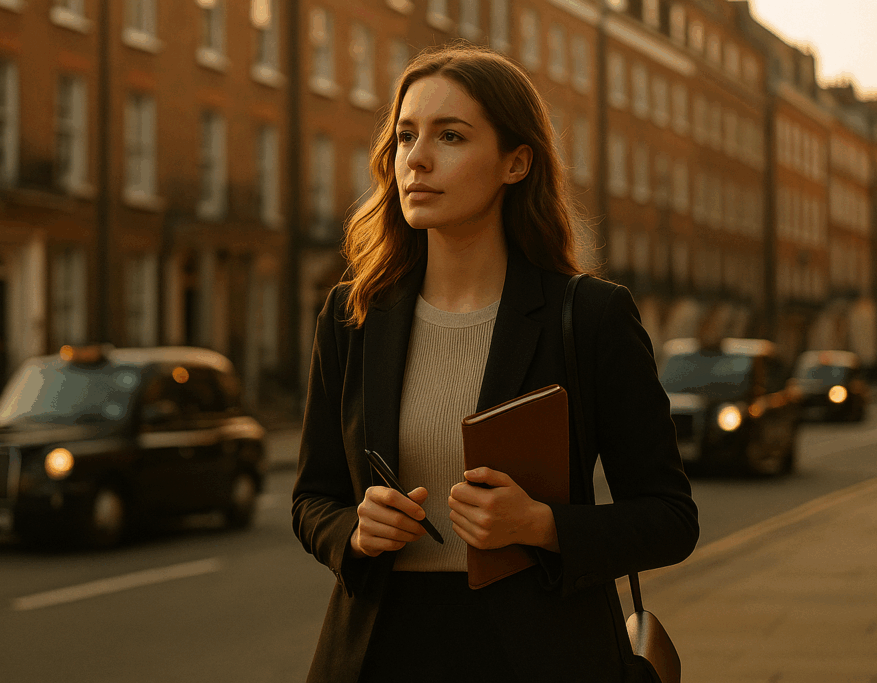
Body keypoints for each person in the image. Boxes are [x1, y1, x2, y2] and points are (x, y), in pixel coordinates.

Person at [292, 42, 698, 683]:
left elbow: (669, 519)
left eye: (450, 136)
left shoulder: (590, 316)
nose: (416, 160)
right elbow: (313, 500)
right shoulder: (353, 314)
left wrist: (542, 525)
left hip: (541, 653)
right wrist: (355, 531)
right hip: (380, 652)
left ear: (516, 163)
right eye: (404, 136)